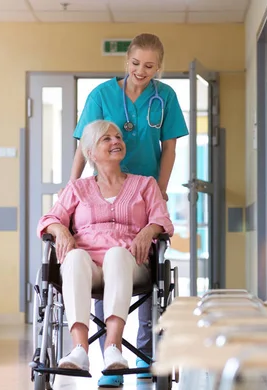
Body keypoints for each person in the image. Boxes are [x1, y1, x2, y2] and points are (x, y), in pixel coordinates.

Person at [70, 33, 188, 387]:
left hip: (141, 194)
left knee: (134, 261)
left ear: (159, 68)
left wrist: (160, 192)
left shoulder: (164, 97)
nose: (141, 71)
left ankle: (144, 367)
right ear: (127, 62)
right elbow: (84, 143)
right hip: (104, 184)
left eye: (150, 66)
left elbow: (169, 149)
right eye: (135, 64)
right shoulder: (102, 96)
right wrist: (72, 186)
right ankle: (110, 365)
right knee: (100, 251)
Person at [37, 120, 174, 375]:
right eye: (106, 139)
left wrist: (149, 230)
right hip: (88, 266)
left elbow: (162, 220)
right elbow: (49, 220)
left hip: (132, 263)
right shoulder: (77, 188)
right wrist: (61, 230)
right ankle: (79, 350)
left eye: (118, 137)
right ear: (90, 153)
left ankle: (113, 347)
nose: (116, 142)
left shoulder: (145, 185)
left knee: (116, 255)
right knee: (75, 257)